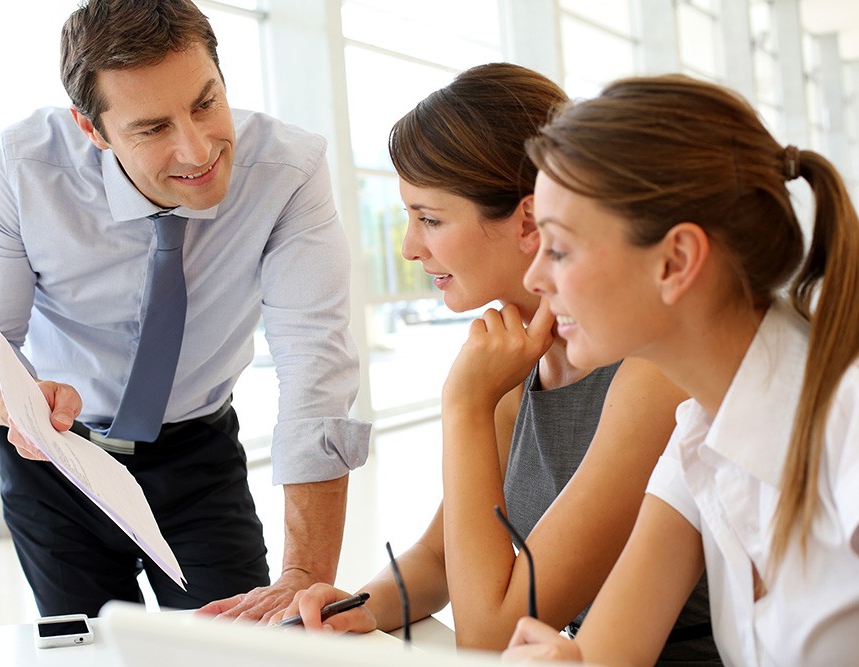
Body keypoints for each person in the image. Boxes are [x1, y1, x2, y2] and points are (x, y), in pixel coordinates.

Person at [0, 0, 370, 621]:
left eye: (205, 103)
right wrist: (16, 404)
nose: (197, 151)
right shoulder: (23, 168)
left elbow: (315, 364)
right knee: (92, 651)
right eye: (152, 128)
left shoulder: (287, 172)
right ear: (93, 129)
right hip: (57, 456)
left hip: (199, 455)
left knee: (240, 647)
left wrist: (303, 575)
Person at [275, 64, 720, 663]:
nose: (409, 247)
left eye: (429, 218)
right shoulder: (518, 361)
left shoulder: (648, 375)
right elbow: (439, 559)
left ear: (528, 222)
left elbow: (487, 635)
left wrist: (463, 406)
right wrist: (351, 608)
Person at [502, 74, 859, 666]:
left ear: (676, 260)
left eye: (559, 248)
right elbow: (607, 656)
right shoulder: (700, 425)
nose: (534, 278)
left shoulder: (846, 422)